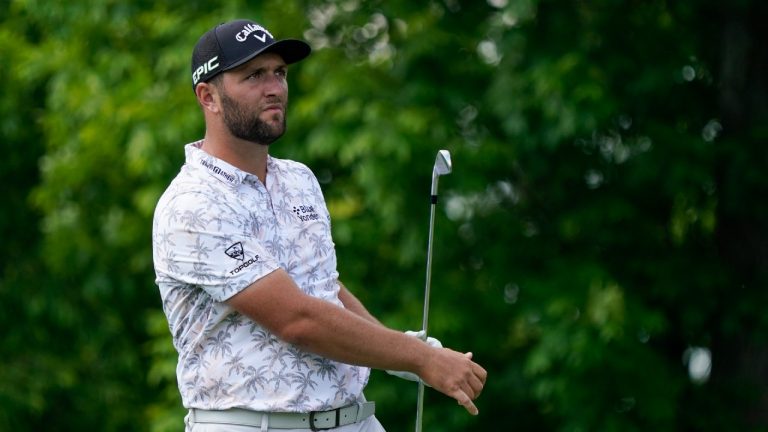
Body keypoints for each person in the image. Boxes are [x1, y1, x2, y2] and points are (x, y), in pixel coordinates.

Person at [152, 18, 487, 432]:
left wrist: (403, 348)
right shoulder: (192, 203)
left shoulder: (298, 179)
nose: (274, 87)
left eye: (280, 73)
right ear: (209, 96)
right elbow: (298, 319)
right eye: (254, 75)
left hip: (353, 418)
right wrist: (420, 359)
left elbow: (323, 287)